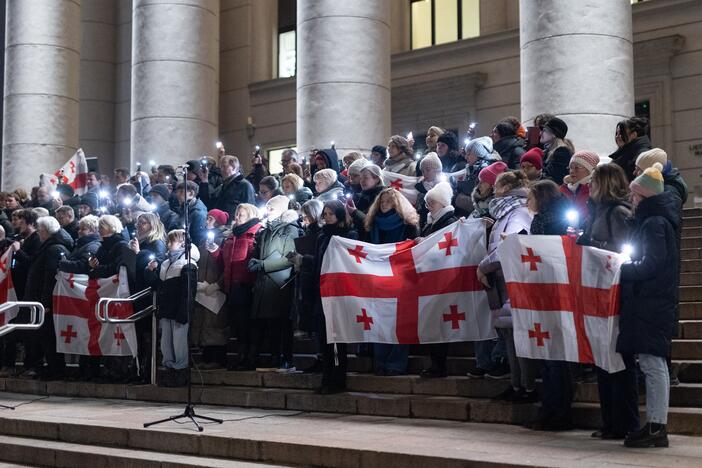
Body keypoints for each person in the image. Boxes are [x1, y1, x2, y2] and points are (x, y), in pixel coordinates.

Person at [575, 163, 638, 441]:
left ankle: (624, 422)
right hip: (598, 293)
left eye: (594, 182)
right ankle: (610, 421)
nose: (590, 187)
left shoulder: (618, 212)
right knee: (603, 360)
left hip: (615, 294)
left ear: (606, 183)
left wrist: (596, 249)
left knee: (618, 363)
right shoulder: (597, 211)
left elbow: (625, 252)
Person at [619, 163, 680, 448]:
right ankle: (655, 425)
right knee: (650, 362)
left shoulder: (655, 223)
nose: (630, 200)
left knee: (653, 364)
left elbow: (652, 264)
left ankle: (657, 427)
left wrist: (623, 270)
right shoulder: (652, 220)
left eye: (634, 195)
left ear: (643, 196)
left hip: (651, 301)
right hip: (650, 300)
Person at [293, 200, 358, 393]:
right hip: (321, 292)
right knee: (324, 340)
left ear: (339, 214)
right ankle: (326, 379)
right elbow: (320, 262)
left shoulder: (348, 234)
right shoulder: (322, 236)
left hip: (338, 293)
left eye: (331, 214)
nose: (327, 217)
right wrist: (304, 261)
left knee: (337, 340)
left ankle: (337, 380)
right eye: (325, 214)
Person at [475, 171, 532, 385]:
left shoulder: (518, 213)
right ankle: (516, 385)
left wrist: (484, 267)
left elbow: (510, 245)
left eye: (497, 186)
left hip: (512, 281)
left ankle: (525, 386)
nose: (493, 190)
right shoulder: (505, 213)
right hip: (501, 280)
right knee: (508, 337)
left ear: (506, 188)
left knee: (517, 338)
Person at [525, 180, 574, 430]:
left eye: (530, 196)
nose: (526, 202)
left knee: (556, 357)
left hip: (556, 291)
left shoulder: (553, 221)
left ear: (541, 197)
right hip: (543, 291)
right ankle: (550, 409)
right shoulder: (541, 220)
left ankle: (559, 412)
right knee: (548, 355)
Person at [364, 188, 420, 375]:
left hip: (402, 280)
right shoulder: (372, 225)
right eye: (382, 201)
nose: (384, 204)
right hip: (378, 280)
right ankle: (380, 362)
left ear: (397, 203)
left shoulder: (408, 225)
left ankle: (396, 363)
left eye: (388, 201)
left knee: (400, 322)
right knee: (380, 322)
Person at [248, 195, 301, 372]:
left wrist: (263, 265)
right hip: (266, 283)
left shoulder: (290, 229)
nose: (267, 210)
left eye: (271, 208)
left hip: (280, 283)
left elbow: (290, 257)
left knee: (282, 323)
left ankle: (285, 358)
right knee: (271, 324)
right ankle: (273, 356)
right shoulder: (266, 230)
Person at [210, 203, 261, 370]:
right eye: (237, 214)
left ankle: (249, 358)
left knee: (246, 324)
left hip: (246, 285)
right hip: (232, 285)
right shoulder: (231, 236)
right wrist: (215, 251)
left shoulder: (254, 234)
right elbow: (224, 263)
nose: (237, 217)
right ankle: (241, 356)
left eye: (241, 214)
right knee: (237, 324)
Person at [21, 216, 73, 380]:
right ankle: (51, 369)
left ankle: (56, 370)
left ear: (45, 231)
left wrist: (46, 303)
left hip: (46, 302)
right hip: (41, 301)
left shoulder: (53, 249)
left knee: (48, 337)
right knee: (44, 336)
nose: (38, 232)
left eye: (39, 229)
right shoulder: (51, 247)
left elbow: (50, 277)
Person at [145, 229, 199, 387]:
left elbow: (188, 292)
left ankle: (181, 370)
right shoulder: (166, 264)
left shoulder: (188, 263)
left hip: (179, 311)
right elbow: (158, 286)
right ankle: (169, 369)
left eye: (171, 241)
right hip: (167, 310)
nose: (168, 244)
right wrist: (150, 272)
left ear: (182, 243)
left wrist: (185, 312)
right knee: (166, 343)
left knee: (179, 342)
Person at [418, 182, 458, 378]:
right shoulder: (431, 221)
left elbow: (445, 246)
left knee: (440, 323)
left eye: (431, 202)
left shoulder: (450, 221)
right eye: (426, 203)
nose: (428, 207)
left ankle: (439, 365)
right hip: (431, 278)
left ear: (442, 203)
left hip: (443, 279)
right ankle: (435, 363)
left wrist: (424, 243)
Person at [57, 215, 103, 381]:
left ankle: (90, 370)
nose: (79, 231)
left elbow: (83, 266)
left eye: (83, 228)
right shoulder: (83, 244)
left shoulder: (93, 245)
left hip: (85, 295)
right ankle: (84, 369)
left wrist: (62, 263)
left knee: (88, 331)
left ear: (91, 230)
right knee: (83, 332)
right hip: (79, 297)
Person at [190, 210, 228, 370]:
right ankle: (206, 357)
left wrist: (218, 284)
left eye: (210, 218)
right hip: (203, 288)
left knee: (215, 325)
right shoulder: (204, 239)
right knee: (204, 323)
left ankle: (217, 358)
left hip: (216, 289)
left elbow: (225, 264)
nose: (207, 221)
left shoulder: (224, 240)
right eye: (207, 217)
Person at [454, 136, 500, 217]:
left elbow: (481, 197)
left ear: (479, 153)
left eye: (468, 154)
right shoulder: (472, 168)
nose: (465, 157)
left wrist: (458, 198)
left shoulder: (484, 169)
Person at [200, 155, 255, 221]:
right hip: (220, 226)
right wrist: (204, 181)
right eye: (221, 166)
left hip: (233, 226)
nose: (221, 169)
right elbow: (208, 204)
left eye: (223, 166)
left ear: (233, 167)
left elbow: (250, 211)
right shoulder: (222, 186)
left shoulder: (245, 185)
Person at [560, 151, 599, 225]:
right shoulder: (563, 189)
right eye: (571, 167)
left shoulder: (593, 191)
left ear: (590, 170)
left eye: (578, 167)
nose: (572, 171)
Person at [347, 164, 385, 236]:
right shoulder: (361, 195)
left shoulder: (383, 198)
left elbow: (373, 223)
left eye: (366, 178)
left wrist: (355, 212)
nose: (362, 181)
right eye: (361, 178)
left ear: (377, 179)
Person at [610, 117, 652, 182]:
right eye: (617, 133)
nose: (618, 136)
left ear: (634, 135)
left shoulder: (642, 155)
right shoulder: (625, 152)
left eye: (621, 133)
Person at [413, 152, 444, 227]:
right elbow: (419, 208)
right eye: (423, 171)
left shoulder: (444, 187)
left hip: (441, 222)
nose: (425, 173)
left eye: (428, 170)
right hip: (424, 223)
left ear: (437, 170)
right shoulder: (420, 187)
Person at [541, 117, 574, 185]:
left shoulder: (562, 152)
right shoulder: (548, 151)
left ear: (553, 134)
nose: (540, 133)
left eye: (544, 130)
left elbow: (554, 178)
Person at [174, 181, 208, 246]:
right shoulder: (184, 206)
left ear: (191, 193)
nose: (177, 194)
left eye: (181, 191)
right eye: (177, 192)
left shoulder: (198, 213)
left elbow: (197, 239)